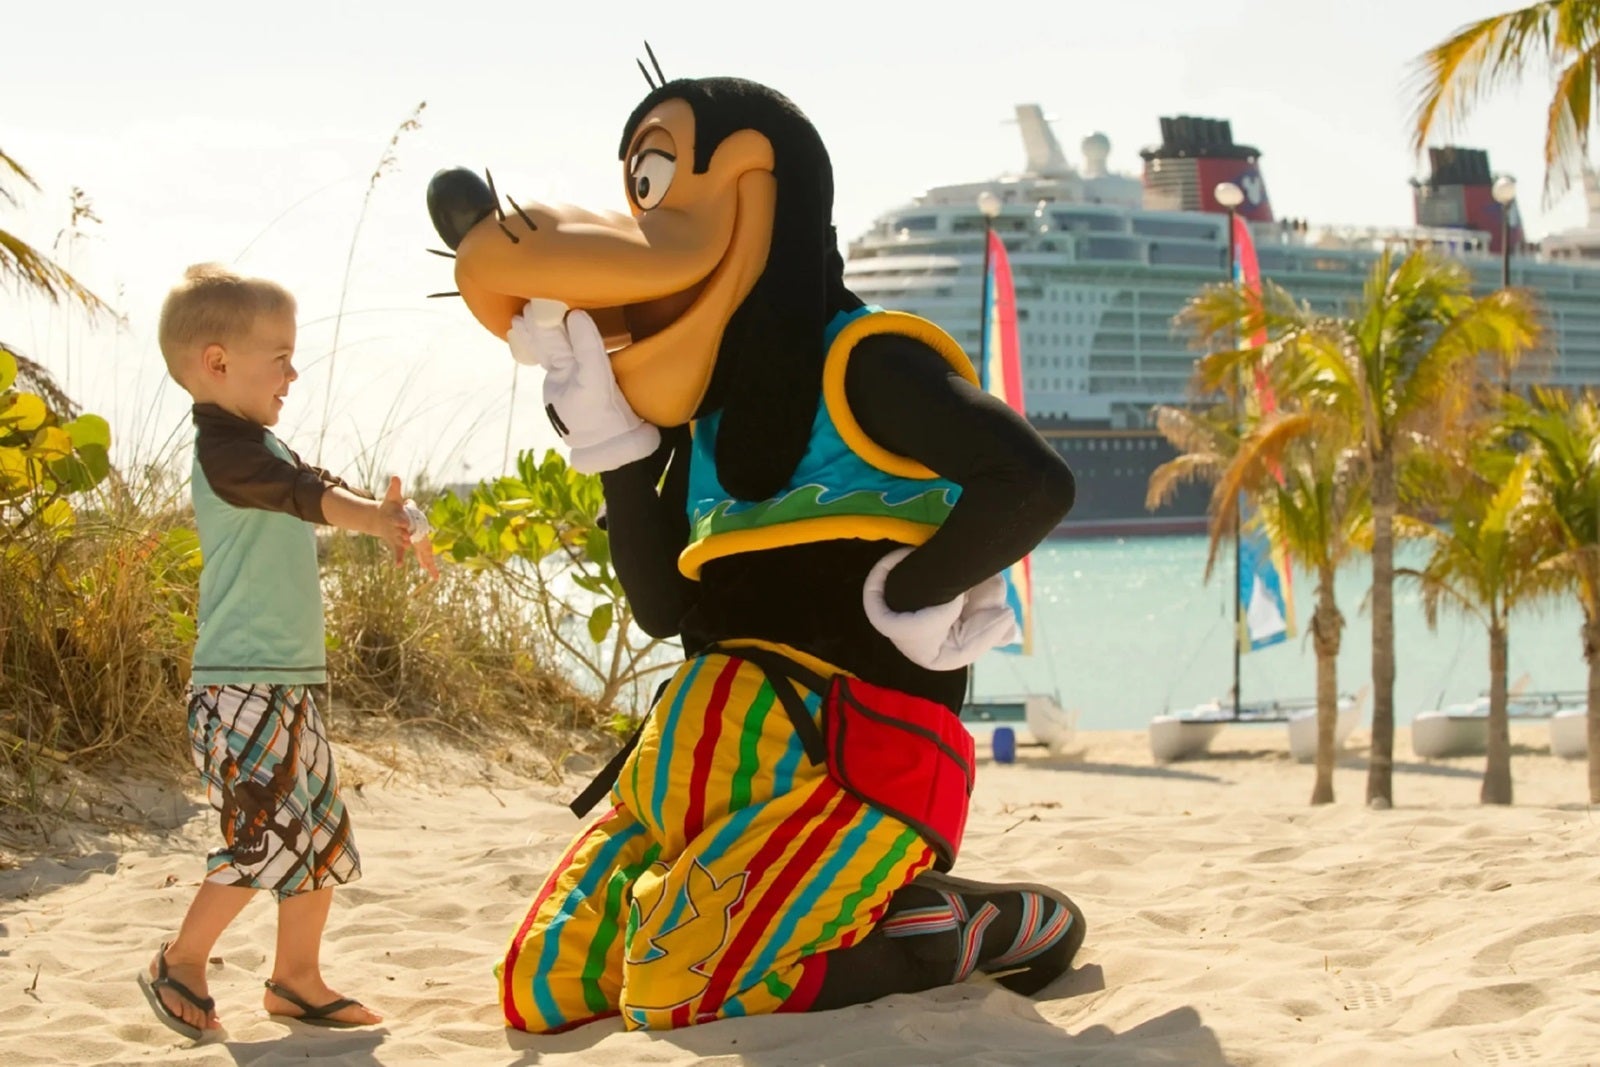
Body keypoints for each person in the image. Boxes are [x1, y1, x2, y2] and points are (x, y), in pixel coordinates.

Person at [427, 72, 1083, 1032]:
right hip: (692, 768)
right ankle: (808, 905)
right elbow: (661, 609)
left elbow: (1033, 484)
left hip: (850, 764)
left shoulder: (863, 362)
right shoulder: (707, 419)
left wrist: (914, 590)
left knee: (676, 987)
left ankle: (954, 925)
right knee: (541, 989)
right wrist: (612, 442)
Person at [137, 263, 435, 1039]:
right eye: (281, 355)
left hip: (282, 685)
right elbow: (301, 492)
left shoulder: (259, 443)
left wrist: (389, 513)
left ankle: (296, 978)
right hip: (238, 688)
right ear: (217, 363)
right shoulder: (224, 453)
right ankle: (181, 959)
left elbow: (309, 478)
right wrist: (367, 520)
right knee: (264, 833)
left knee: (321, 831)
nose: (293, 373)